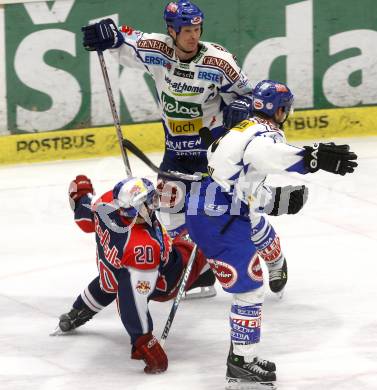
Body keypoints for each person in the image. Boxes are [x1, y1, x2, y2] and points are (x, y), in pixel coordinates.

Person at [81, 1, 290, 296]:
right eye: (187, 30)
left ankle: (274, 259)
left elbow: (248, 98)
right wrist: (110, 37)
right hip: (176, 153)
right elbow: (126, 42)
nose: (193, 36)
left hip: (215, 155)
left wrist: (241, 110)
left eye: (197, 29)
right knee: (174, 215)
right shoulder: (157, 49)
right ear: (172, 30)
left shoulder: (219, 62)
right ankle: (202, 274)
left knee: (237, 215)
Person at [185, 80, 358, 389]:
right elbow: (267, 153)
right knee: (249, 290)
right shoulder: (265, 134)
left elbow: (229, 167)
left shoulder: (239, 128)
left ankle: (242, 355)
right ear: (279, 110)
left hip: (210, 207)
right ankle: (241, 364)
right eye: (285, 108)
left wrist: (273, 201)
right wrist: (312, 158)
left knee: (250, 270)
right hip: (220, 219)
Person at [53, 175, 211, 374]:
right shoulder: (142, 248)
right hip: (165, 282)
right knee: (211, 231)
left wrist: (80, 195)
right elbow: (132, 301)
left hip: (113, 274)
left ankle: (77, 313)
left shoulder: (106, 203)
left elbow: (85, 213)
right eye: (149, 201)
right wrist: (143, 340)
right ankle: (206, 274)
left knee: (114, 280)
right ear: (135, 209)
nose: (155, 203)